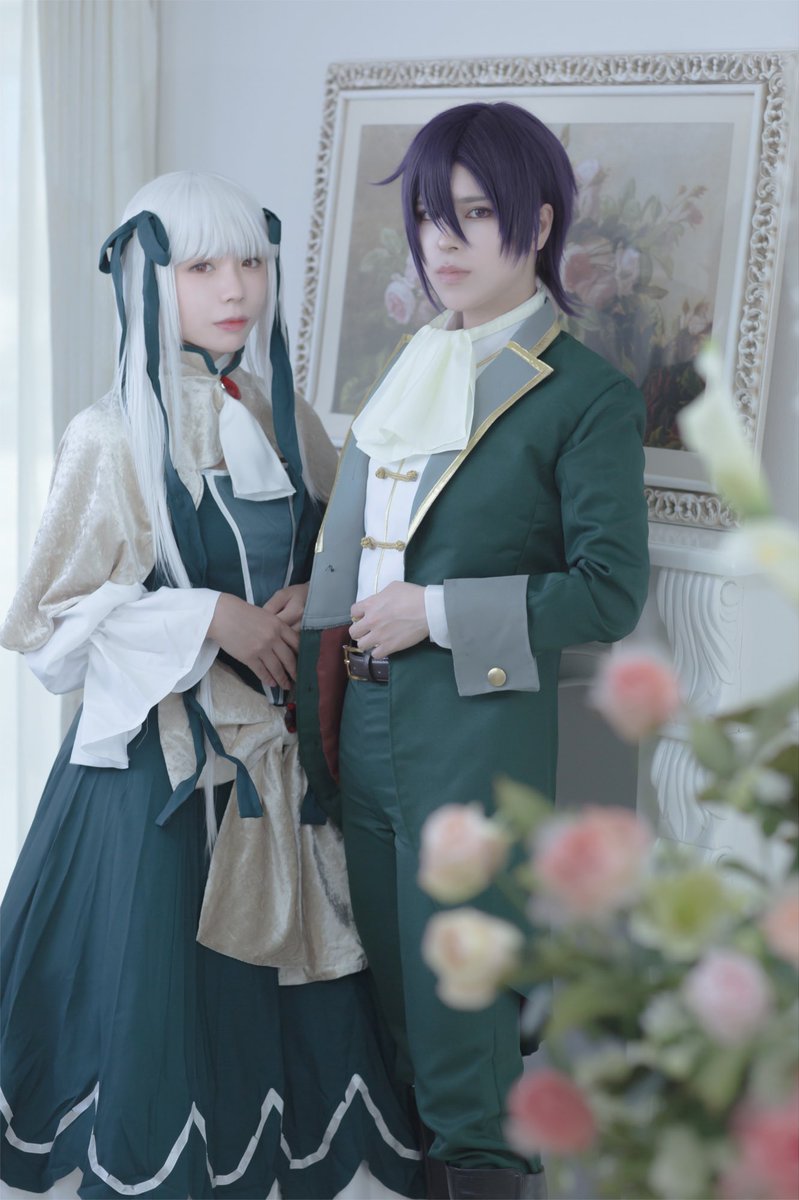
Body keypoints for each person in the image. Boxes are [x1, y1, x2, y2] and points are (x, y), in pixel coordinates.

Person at [0, 171, 424, 1200]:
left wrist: (309, 597)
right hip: (160, 785)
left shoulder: (290, 417)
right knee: (162, 1009)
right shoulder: (109, 435)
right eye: (201, 267)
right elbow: (43, 621)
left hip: (288, 764)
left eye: (250, 263)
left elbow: (352, 556)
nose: (235, 288)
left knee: (300, 1009)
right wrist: (206, 617)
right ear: (150, 280)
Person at [297, 102, 651, 1200]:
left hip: (470, 733)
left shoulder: (584, 395)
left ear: (537, 224)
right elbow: (357, 550)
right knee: (396, 1021)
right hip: (358, 722)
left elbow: (608, 591)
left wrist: (437, 611)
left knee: (465, 1037)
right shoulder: (408, 366)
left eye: (473, 214)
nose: (440, 241)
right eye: (425, 216)